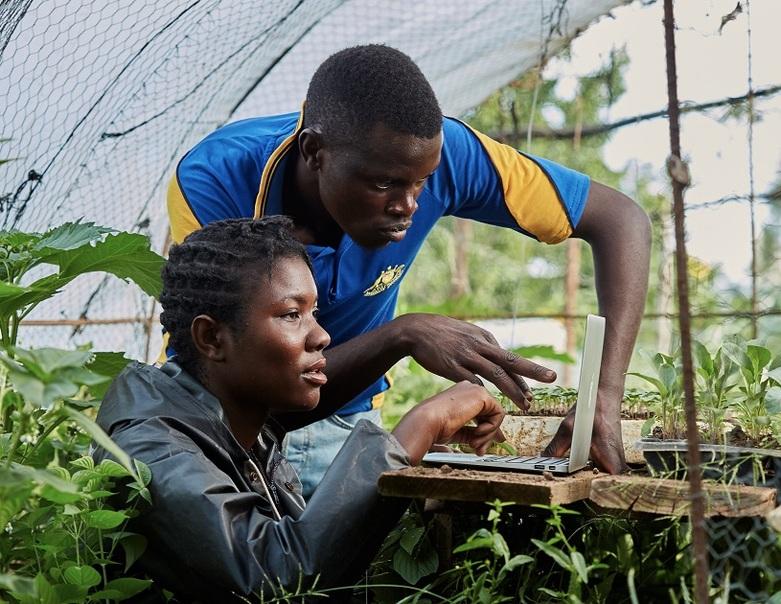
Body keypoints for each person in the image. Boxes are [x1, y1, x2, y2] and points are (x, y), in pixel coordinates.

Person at [167, 44, 651, 495]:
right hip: (218, 430)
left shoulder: (442, 155)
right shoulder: (215, 181)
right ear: (315, 153)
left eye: (422, 183)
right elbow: (244, 395)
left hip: (347, 423)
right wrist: (403, 336)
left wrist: (603, 396)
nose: (408, 206)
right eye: (384, 184)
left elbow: (620, 220)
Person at [94, 217, 505, 601]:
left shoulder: (236, 426)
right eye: (292, 315)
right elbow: (279, 574)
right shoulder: (153, 449)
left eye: (314, 312)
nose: (321, 336)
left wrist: (414, 484)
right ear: (211, 337)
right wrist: (421, 424)